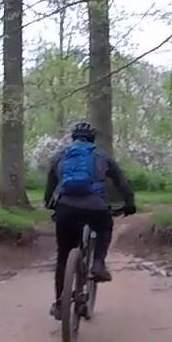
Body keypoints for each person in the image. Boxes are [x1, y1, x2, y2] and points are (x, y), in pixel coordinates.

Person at [45, 119, 136, 315]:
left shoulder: (60, 156)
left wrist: (51, 207)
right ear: (93, 139)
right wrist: (129, 204)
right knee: (104, 227)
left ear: (73, 138)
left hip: (66, 208)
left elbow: (50, 188)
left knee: (63, 256)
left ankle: (61, 304)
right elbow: (122, 182)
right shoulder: (102, 155)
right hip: (96, 208)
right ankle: (98, 263)